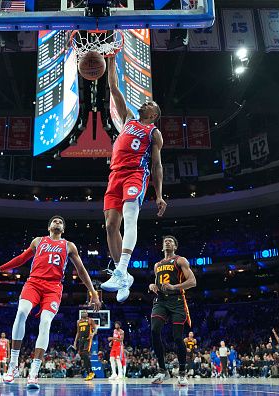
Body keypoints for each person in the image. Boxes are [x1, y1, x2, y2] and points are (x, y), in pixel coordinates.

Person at [0, 215, 101, 390]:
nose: (58, 222)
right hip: (34, 283)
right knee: (21, 312)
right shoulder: (38, 241)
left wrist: (93, 293)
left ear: (63, 229)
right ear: (49, 227)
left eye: (61, 222)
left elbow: (81, 270)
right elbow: (21, 259)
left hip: (53, 288)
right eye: (55, 221)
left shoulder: (69, 246)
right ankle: (13, 364)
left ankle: (34, 372)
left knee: (45, 322)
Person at [101, 55, 167, 303]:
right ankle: (122, 275)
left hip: (136, 175)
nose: (145, 103)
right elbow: (114, 88)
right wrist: (111, 59)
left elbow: (157, 164)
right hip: (115, 175)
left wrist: (159, 195)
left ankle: (121, 269)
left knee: (130, 216)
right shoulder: (128, 118)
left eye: (149, 103)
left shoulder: (154, 132)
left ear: (154, 114)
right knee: (110, 226)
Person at [148, 236, 196, 386]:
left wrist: (174, 287)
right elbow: (158, 283)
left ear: (175, 246)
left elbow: (192, 282)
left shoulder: (180, 260)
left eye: (170, 241)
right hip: (161, 301)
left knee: (177, 337)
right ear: (162, 247)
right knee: (155, 330)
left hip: (177, 301)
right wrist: (152, 286)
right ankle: (163, 371)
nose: (167, 242)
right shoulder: (157, 265)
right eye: (165, 241)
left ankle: (182, 373)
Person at [74, 310, 98, 381]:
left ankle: (91, 372)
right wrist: (75, 342)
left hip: (88, 339)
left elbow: (96, 329)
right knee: (83, 357)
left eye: (85, 312)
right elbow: (78, 332)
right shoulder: (78, 321)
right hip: (81, 340)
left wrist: (93, 334)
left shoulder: (90, 320)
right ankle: (89, 373)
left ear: (87, 314)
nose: (84, 313)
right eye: (83, 312)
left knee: (85, 354)